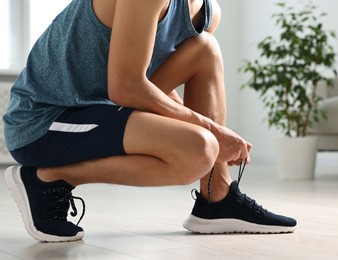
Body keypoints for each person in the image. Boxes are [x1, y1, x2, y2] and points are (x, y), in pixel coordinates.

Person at [2, 0, 296, 243]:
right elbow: (127, 87)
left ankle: (216, 198)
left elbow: (153, 86)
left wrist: (198, 132)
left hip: (105, 110)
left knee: (205, 48)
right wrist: (211, 131)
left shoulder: (206, 11)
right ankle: (47, 178)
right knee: (198, 150)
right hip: (45, 120)